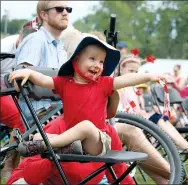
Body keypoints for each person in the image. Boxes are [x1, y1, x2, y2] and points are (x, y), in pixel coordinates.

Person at [8, 33, 166, 184]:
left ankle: (51, 143)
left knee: (85, 126)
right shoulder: (64, 82)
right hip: (72, 143)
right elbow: (45, 80)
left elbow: (126, 79)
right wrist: (29, 71)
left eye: (101, 62)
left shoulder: (103, 83)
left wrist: (149, 76)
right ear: (76, 60)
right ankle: (51, 143)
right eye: (92, 59)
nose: (98, 65)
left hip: (96, 141)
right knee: (39, 137)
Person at [15, 0, 70, 123]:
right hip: (39, 114)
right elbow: (18, 82)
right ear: (44, 15)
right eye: (59, 9)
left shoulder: (60, 48)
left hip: (59, 110)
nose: (65, 13)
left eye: (68, 9)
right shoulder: (36, 40)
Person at [0, 25, 37, 180]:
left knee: (32, 116)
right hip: (5, 92)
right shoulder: (4, 46)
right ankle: (9, 165)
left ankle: (22, 168)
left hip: (21, 94)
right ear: (20, 39)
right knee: (21, 118)